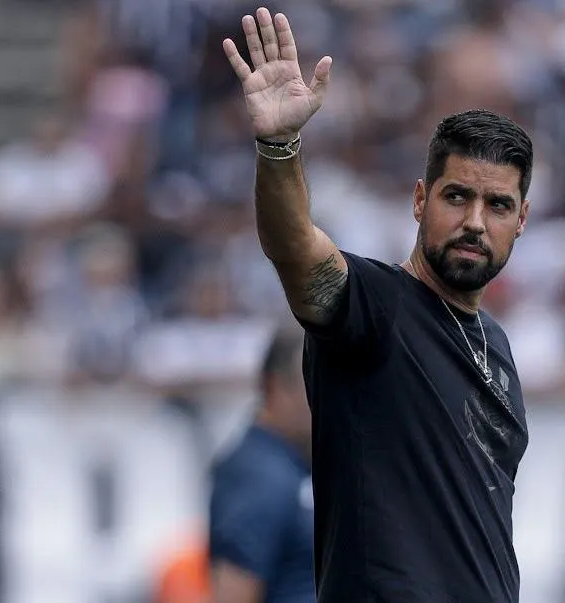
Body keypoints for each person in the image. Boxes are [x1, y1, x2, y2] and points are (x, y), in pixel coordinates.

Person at [222, 6, 533, 602]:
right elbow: (294, 248)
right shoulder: (377, 308)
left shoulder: (496, 345)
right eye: (456, 196)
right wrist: (279, 143)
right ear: (420, 200)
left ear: (521, 220)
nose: (473, 222)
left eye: (496, 206)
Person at [208, 328, 315, 603]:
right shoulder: (257, 475)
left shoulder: (291, 462)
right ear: (276, 387)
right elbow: (234, 591)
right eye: (314, 385)